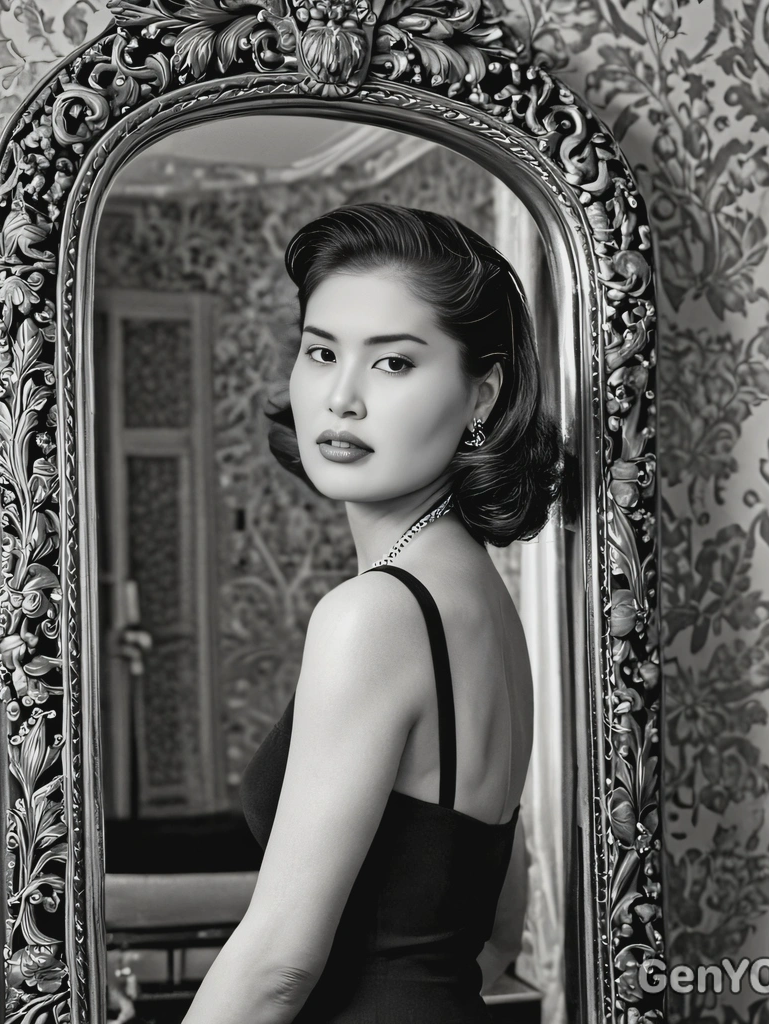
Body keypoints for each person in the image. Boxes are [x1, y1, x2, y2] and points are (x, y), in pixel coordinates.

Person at [181, 202, 562, 1023]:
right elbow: (495, 934)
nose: (341, 398)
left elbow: (277, 965)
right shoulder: (483, 601)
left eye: (393, 364)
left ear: (481, 395)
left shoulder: (376, 614)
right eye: (321, 352)